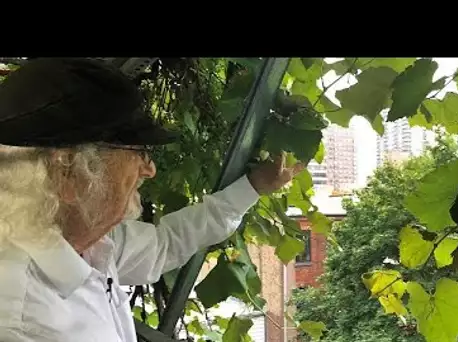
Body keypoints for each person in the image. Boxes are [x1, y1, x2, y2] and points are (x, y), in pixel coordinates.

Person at [0, 58, 303, 342]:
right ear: (67, 171)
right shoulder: (23, 320)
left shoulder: (81, 242)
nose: (150, 168)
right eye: (137, 152)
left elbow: (166, 244)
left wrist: (252, 187)